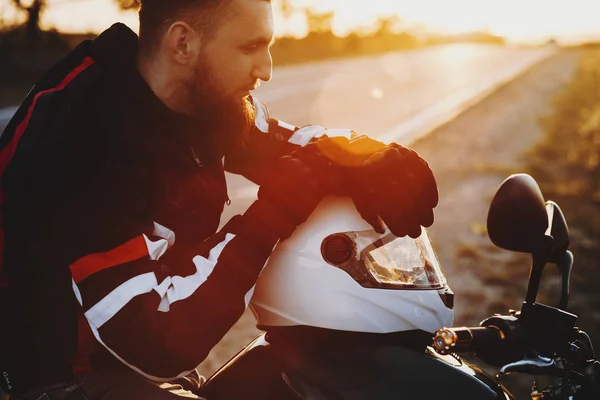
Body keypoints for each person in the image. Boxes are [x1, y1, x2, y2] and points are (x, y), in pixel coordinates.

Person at [0, 0, 439, 398]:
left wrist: (375, 157)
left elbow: (288, 144)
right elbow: (153, 340)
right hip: (65, 376)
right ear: (183, 42)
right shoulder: (79, 138)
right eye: (250, 47)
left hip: (136, 359)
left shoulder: (197, 97)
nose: (266, 69)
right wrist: (274, 213)